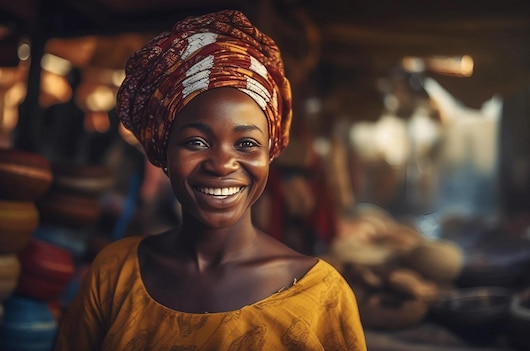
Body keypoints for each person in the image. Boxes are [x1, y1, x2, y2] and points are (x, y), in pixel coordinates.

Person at [55, 9, 366, 350]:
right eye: (196, 142)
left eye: (246, 143)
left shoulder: (321, 296)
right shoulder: (114, 275)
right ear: (163, 151)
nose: (222, 164)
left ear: (271, 153)